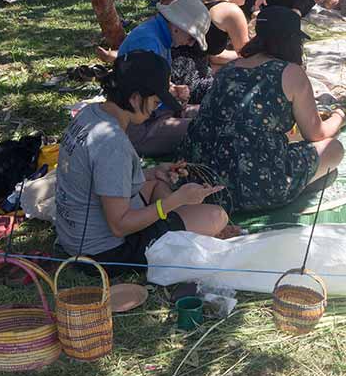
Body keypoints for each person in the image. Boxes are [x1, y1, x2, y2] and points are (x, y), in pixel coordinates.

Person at [55, 50, 229, 276]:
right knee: (216, 216)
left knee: (157, 185)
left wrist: (152, 173)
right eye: (155, 103)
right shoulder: (113, 143)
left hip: (74, 237)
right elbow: (120, 226)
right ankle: (178, 230)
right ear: (135, 98)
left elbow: (101, 178)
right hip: (103, 254)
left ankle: (176, 227)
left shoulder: (89, 113)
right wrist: (176, 201)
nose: (155, 110)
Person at [182, 6, 346, 212]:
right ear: (292, 41)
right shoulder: (291, 72)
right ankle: (292, 189)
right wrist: (339, 116)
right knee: (334, 148)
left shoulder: (230, 68)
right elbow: (316, 133)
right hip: (256, 183)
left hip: (203, 180)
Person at [116, 0, 213, 158]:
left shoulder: (157, 35)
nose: (190, 44)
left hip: (153, 116)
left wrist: (173, 90)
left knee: (213, 112)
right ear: (177, 27)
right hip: (140, 127)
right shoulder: (149, 43)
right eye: (191, 38)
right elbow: (143, 97)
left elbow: (154, 84)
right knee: (205, 129)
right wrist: (173, 98)